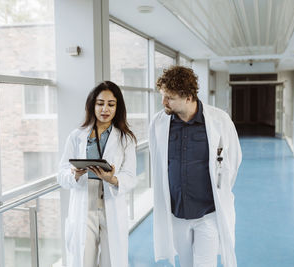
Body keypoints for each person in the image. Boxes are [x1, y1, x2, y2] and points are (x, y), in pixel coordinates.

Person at [149, 66, 242, 267]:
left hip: (207, 212)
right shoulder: (159, 123)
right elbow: (158, 164)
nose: (163, 102)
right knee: (185, 263)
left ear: (188, 97)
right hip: (177, 213)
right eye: (163, 96)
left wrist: (220, 188)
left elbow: (233, 161)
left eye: (169, 98)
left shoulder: (219, 120)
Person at [58, 81, 137, 267]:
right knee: (84, 259)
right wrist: (74, 174)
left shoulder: (125, 139)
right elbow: (61, 174)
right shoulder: (76, 136)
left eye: (111, 104)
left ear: (118, 107)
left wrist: (113, 179)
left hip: (110, 201)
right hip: (85, 204)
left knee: (111, 260)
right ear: (92, 105)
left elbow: (131, 176)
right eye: (100, 103)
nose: (105, 109)